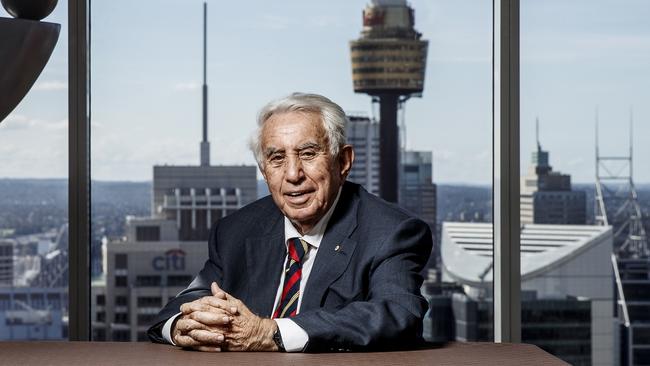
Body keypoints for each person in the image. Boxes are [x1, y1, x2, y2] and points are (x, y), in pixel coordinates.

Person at [147, 92, 433, 352]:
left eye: (308, 154)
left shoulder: (391, 232)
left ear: (343, 162)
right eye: (277, 158)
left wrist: (269, 332)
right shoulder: (236, 230)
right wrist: (182, 326)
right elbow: (187, 302)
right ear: (264, 170)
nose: (293, 174)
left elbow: (398, 314)